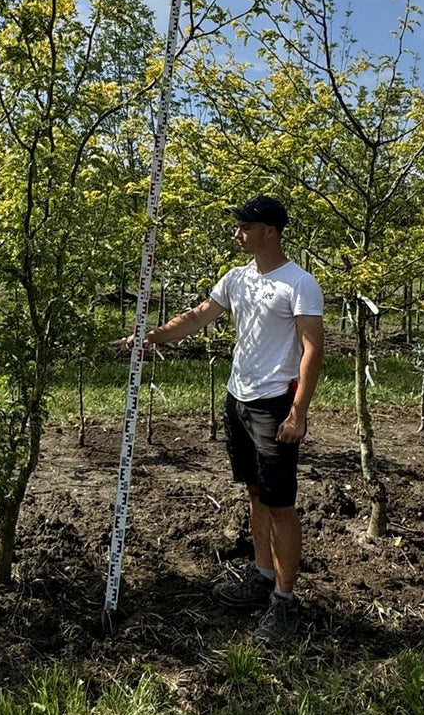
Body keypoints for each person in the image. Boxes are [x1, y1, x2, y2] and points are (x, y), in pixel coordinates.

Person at [126, 194, 324, 646]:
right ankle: (260, 576)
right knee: (255, 492)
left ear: (270, 231)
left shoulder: (299, 283)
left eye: (246, 226)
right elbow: (198, 317)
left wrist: (298, 413)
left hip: (275, 404)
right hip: (238, 400)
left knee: (280, 503)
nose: (239, 232)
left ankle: (284, 601)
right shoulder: (237, 279)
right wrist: (150, 337)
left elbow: (313, 351)